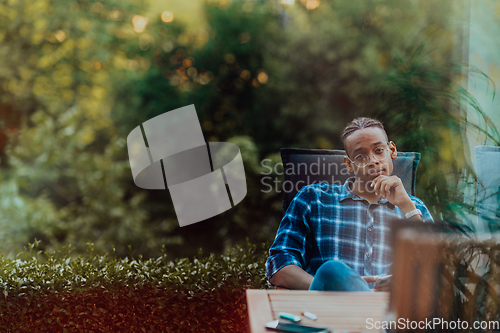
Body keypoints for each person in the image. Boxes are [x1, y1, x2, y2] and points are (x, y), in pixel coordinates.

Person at [266, 117, 433, 291]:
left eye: (378, 150)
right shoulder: (313, 199)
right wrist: (331, 288)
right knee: (332, 270)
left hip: (390, 314)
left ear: (391, 150)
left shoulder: (414, 208)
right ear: (349, 165)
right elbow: (279, 267)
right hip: (331, 311)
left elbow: (437, 272)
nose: (372, 161)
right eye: (361, 156)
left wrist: (407, 207)